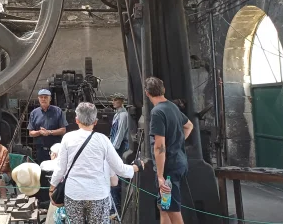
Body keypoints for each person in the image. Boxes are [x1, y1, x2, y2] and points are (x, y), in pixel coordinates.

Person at [49, 102, 143, 224]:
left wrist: (52, 188)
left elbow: (60, 169)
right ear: (95, 122)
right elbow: (120, 169)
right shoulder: (103, 140)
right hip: (98, 195)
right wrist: (136, 166)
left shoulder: (67, 138)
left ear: (76, 120)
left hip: (74, 194)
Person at [146, 77, 193, 224]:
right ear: (163, 90)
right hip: (179, 162)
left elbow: (159, 146)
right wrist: (177, 143)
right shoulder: (172, 107)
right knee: (165, 206)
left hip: (169, 168)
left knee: (172, 209)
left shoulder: (157, 112)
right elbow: (189, 125)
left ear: (147, 93)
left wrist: (160, 175)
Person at [28, 89, 68, 164]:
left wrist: (49, 132)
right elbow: (31, 133)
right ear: (38, 98)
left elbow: (63, 130)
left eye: (46, 97)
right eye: (41, 97)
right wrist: (40, 132)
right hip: (41, 151)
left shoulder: (57, 111)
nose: (43, 99)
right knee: (43, 171)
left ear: (50, 98)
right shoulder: (34, 113)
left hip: (56, 150)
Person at [109, 93, 129, 215]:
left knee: (116, 175)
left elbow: (120, 133)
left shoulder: (123, 115)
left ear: (121, 101)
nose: (113, 102)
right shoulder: (117, 115)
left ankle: (117, 206)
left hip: (120, 148)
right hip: (116, 147)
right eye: (113, 99)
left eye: (116, 100)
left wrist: (112, 149)